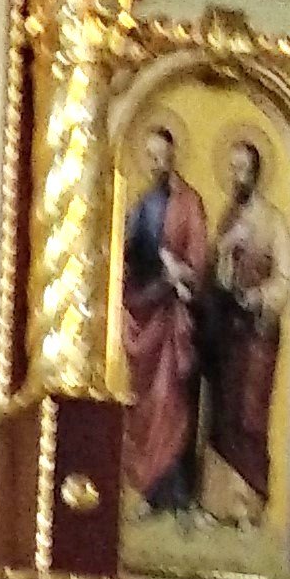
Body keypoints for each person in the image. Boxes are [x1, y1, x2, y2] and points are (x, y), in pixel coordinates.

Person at [120, 123, 210, 523]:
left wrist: (181, 272)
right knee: (146, 403)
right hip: (147, 311)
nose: (157, 163)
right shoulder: (142, 204)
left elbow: (199, 260)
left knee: (171, 402)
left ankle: (175, 494)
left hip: (174, 318)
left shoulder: (189, 203)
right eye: (151, 157)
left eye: (162, 156)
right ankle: (148, 491)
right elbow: (129, 255)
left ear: (173, 157)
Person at [196, 139, 288, 527]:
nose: (237, 177)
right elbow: (214, 276)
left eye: (244, 170)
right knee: (221, 414)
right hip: (227, 331)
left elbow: (284, 278)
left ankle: (248, 505)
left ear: (256, 174)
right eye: (232, 169)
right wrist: (222, 250)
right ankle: (217, 504)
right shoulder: (227, 218)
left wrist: (259, 296)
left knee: (250, 414)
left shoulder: (272, 221)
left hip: (256, 333)